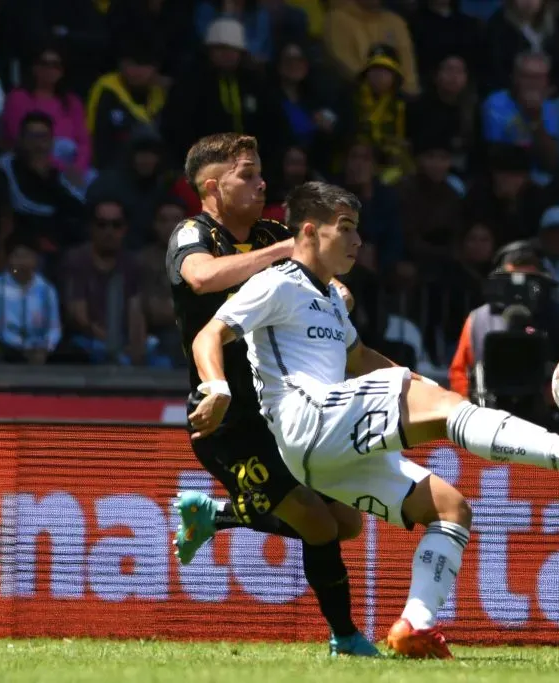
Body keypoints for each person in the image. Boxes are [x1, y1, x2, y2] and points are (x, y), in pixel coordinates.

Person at [188, 181, 559, 659]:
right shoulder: (275, 282)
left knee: (451, 509)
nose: (358, 242)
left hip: (324, 455)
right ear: (309, 232)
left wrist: (408, 377)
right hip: (310, 420)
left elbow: (357, 356)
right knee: (444, 408)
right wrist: (217, 387)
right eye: (346, 229)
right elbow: (210, 335)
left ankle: (413, 626)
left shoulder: (331, 299)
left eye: (359, 231)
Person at [165, 133, 376, 657]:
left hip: (287, 410)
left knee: (347, 523)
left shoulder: (271, 230)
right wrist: (286, 252)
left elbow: (325, 277)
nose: (262, 184)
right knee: (316, 523)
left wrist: (335, 289)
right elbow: (202, 278)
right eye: (247, 175)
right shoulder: (193, 233)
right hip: (227, 419)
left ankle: (213, 517)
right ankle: (345, 638)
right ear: (213, 187)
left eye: (261, 173)